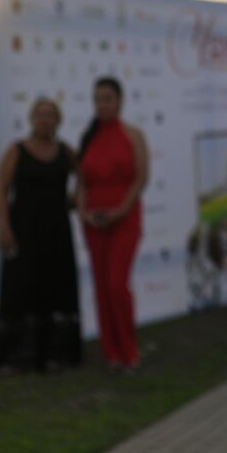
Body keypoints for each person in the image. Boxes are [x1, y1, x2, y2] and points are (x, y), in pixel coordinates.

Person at [0, 97, 83, 372]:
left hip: (57, 233)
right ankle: (17, 357)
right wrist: (4, 228)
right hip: (23, 232)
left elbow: (85, 177)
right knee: (20, 290)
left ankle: (56, 354)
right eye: (40, 114)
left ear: (57, 120)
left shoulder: (66, 151)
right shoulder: (16, 151)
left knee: (56, 290)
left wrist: (75, 199)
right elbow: (2, 192)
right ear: (32, 119)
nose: (45, 119)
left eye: (50, 115)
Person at [77, 77, 149, 371]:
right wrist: (83, 211)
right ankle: (111, 352)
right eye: (97, 99)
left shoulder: (133, 135)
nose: (102, 104)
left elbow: (141, 177)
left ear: (119, 100)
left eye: (107, 98)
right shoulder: (88, 137)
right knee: (101, 287)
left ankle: (129, 351)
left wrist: (121, 210)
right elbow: (81, 182)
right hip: (93, 222)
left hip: (124, 218)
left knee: (117, 285)